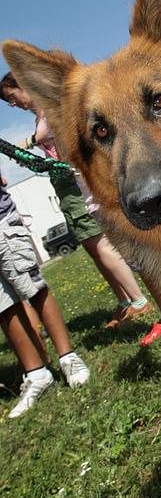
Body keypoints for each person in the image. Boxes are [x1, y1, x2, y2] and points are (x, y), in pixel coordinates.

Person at [0, 72, 154, 328]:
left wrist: (27, 143)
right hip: (64, 184)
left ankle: (139, 301)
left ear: (24, 85)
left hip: (76, 182)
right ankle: (125, 300)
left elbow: (48, 134)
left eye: (11, 97)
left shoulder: (52, 108)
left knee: (101, 243)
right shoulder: (38, 116)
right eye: (8, 103)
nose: (13, 104)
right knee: (93, 247)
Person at [0, 170, 90, 418]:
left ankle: (67, 357)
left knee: (35, 289)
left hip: (2, 226)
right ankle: (36, 374)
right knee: (3, 307)